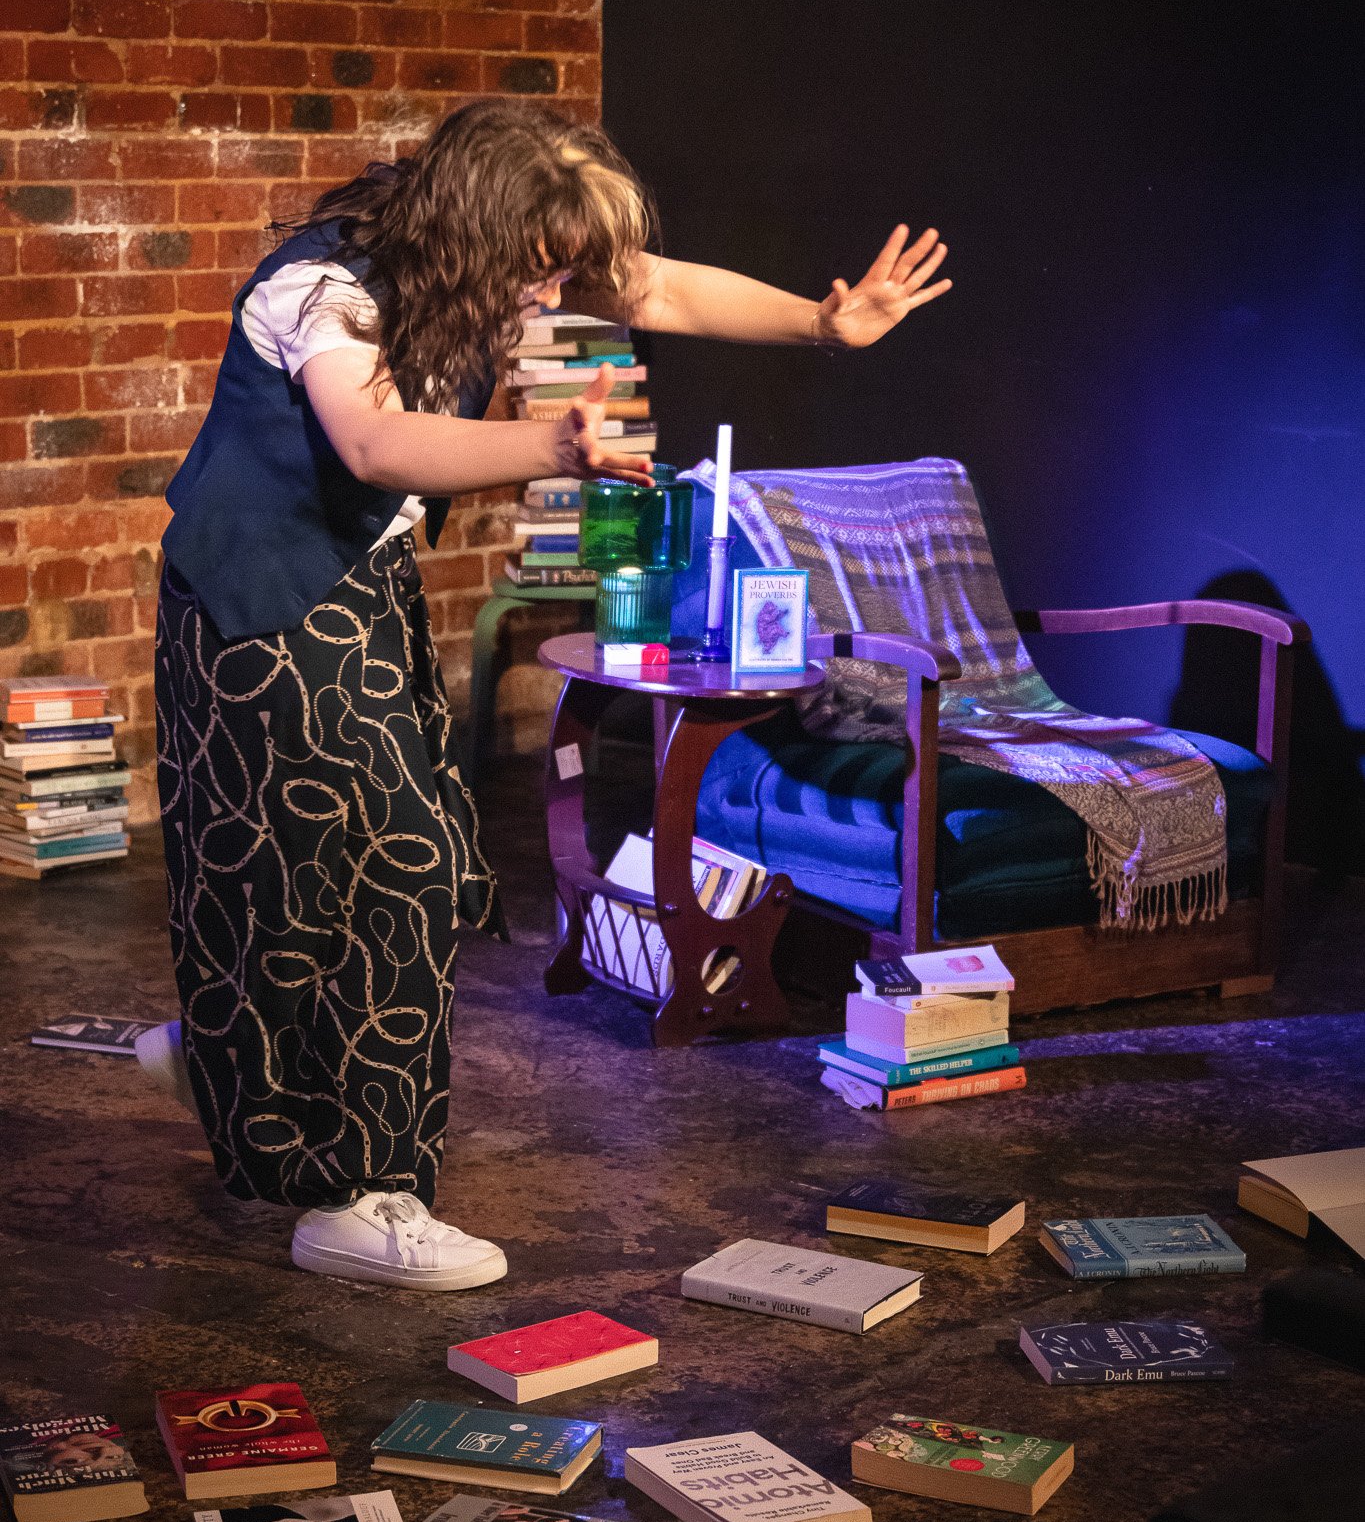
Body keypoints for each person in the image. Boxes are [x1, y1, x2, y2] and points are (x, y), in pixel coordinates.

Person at [136, 97, 950, 1291]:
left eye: (570, 263)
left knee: (398, 859)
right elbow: (374, 444)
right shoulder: (320, 291)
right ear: (475, 229)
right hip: (255, 599)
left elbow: (661, 288)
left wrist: (825, 325)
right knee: (385, 863)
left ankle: (230, 1064)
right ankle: (357, 1193)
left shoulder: (497, 264)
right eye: (543, 262)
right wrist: (551, 450)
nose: (561, 283)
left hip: (349, 586)